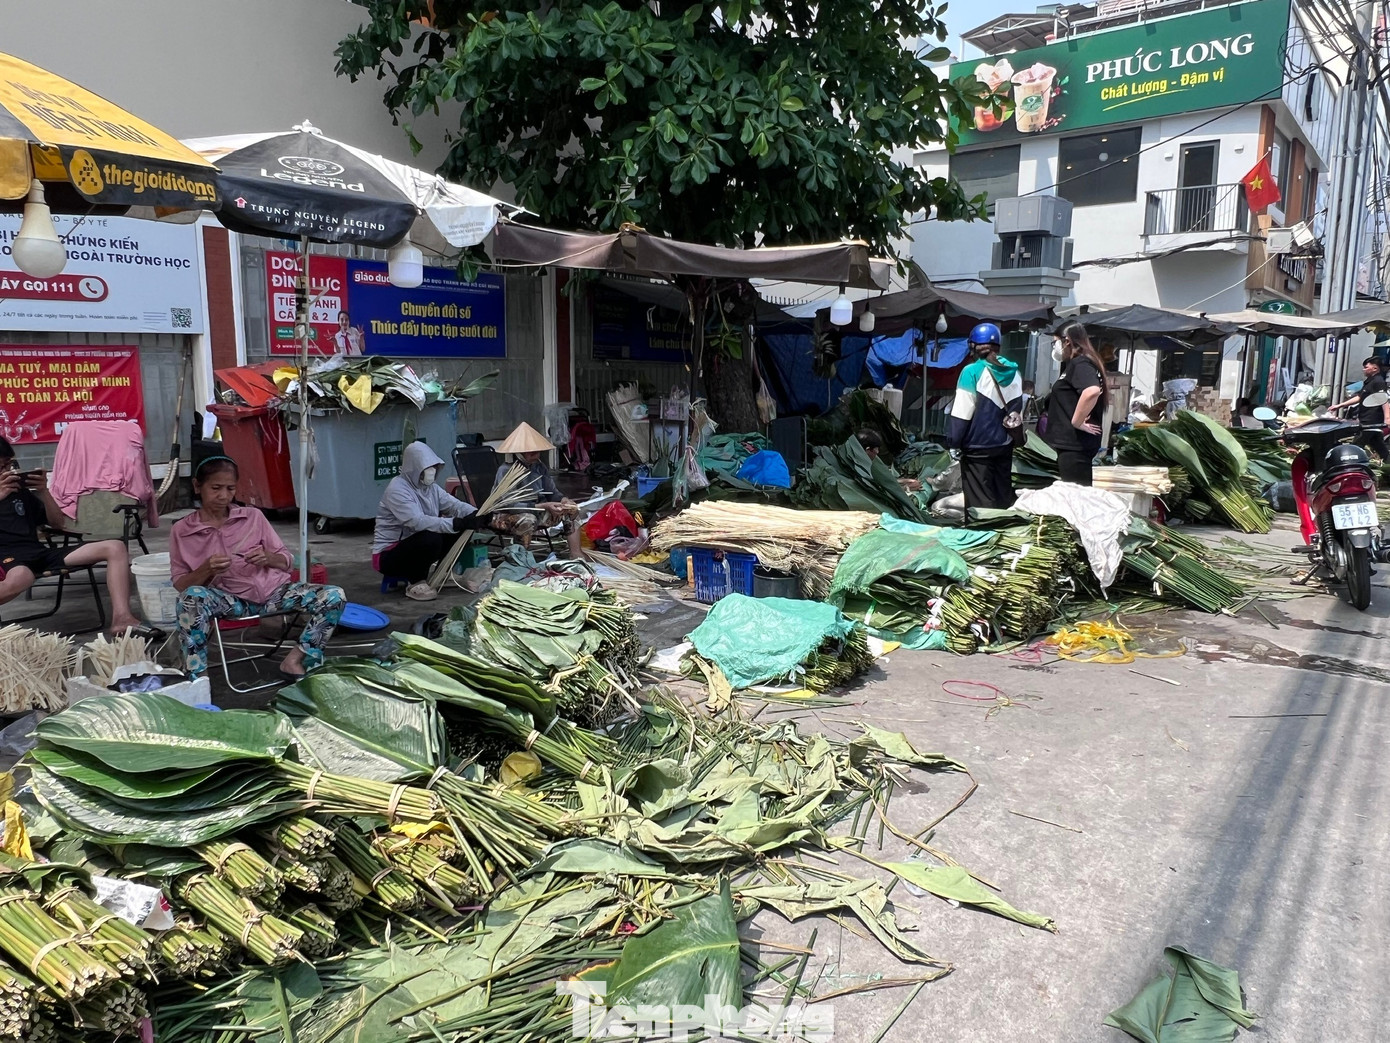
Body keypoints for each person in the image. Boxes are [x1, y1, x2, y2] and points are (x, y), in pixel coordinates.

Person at [170, 456, 345, 679]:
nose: (223, 496)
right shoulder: (183, 531)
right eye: (215, 488)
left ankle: (295, 659)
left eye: (230, 488)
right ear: (197, 486)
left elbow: (286, 560)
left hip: (275, 593)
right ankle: (198, 678)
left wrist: (268, 558)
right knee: (190, 599)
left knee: (333, 596)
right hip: (229, 600)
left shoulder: (252, 517)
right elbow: (180, 584)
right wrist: (206, 569)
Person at [0, 436, 153, 637]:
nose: (9, 471)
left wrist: (43, 491)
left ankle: (121, 618)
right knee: (22, 576)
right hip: (8, 557)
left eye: (10, 465)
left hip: (39, 553)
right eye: (2, 467)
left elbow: (57, 523)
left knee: (115, 547)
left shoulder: (19, 493)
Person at [373, 441, 487, 602]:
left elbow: (454, 505)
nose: (431, 471)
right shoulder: (397, 489)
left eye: (434, 466)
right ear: (414, 468)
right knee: (431, 537)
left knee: (463, 529)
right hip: (388, 555)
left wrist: (476, 515)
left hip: (416, 545)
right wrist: (455, 523)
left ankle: (443, 571)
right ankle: (415, 582)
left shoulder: (431, 488)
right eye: (426, 467)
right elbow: (416, 522)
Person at [944, 323, 1024, 510]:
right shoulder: (1015, 372)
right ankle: (1002, 532)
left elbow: (961, 413)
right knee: (1002, 496)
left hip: (977, 448)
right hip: (1005, 445)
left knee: (979, 502)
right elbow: (1018, 409)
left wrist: (954, 442)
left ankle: (983, 534)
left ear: (972, 346)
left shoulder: (972, 372)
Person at [490, 422, 583, 558]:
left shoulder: (539, 467)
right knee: (527, 519)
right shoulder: (506, 470)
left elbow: (552, 493)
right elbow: (509, 505)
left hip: (537, 511)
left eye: (537, 452)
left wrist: (563, 500)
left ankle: (576, 554)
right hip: (505, 515)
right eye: (531, 453)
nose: (536, 456)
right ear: (519, 452)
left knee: (572, 509)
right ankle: (521, 559)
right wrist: (544, 505)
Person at [1043, 321, 1109, 486]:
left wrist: (1076, 422)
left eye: (1055, 342)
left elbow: (1091, 391)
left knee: (1077, 495)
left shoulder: (1080, 363)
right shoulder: (1078, 364)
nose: (1055, 347)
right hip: (1072, 444)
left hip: (1075, 444)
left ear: (1067, 341)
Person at [1331, 356, 1390, 459]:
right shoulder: (1369, 382)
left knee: (1356, 446)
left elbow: (1384, 401)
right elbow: (1359, 397)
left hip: (1371, 421)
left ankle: (1353, 467)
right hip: (1366, 419)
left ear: (1375, 368)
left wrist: (1387, 418)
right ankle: (1388, 462)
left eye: (1366, 367)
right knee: (1379, 446)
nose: (1364, 370)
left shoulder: (1378, 382)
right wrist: (1339, 405)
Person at [854, 428, 921, 492]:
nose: (877, 452)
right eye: (876, 449)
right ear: (868, 450)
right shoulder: (856, 468)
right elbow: (873, 491)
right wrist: (905, 488)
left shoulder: (861, 461)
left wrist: (904, 481)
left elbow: (879, 481)